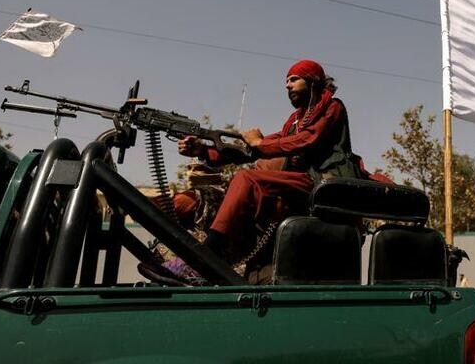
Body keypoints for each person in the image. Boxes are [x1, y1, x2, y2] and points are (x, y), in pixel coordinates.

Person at [141, 59, 363, 284]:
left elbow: (306, 139)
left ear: (313, 80)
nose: (287, 85)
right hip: (303, 184)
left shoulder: (333, 107)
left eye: (294, 79)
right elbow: (253, 150)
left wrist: (260, 144)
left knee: (247, 178)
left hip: (327, 184)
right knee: (240, 182)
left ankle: (202, 259)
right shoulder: (294, 120)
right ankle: (201, 258)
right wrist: (205, 151)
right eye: (286, 81)